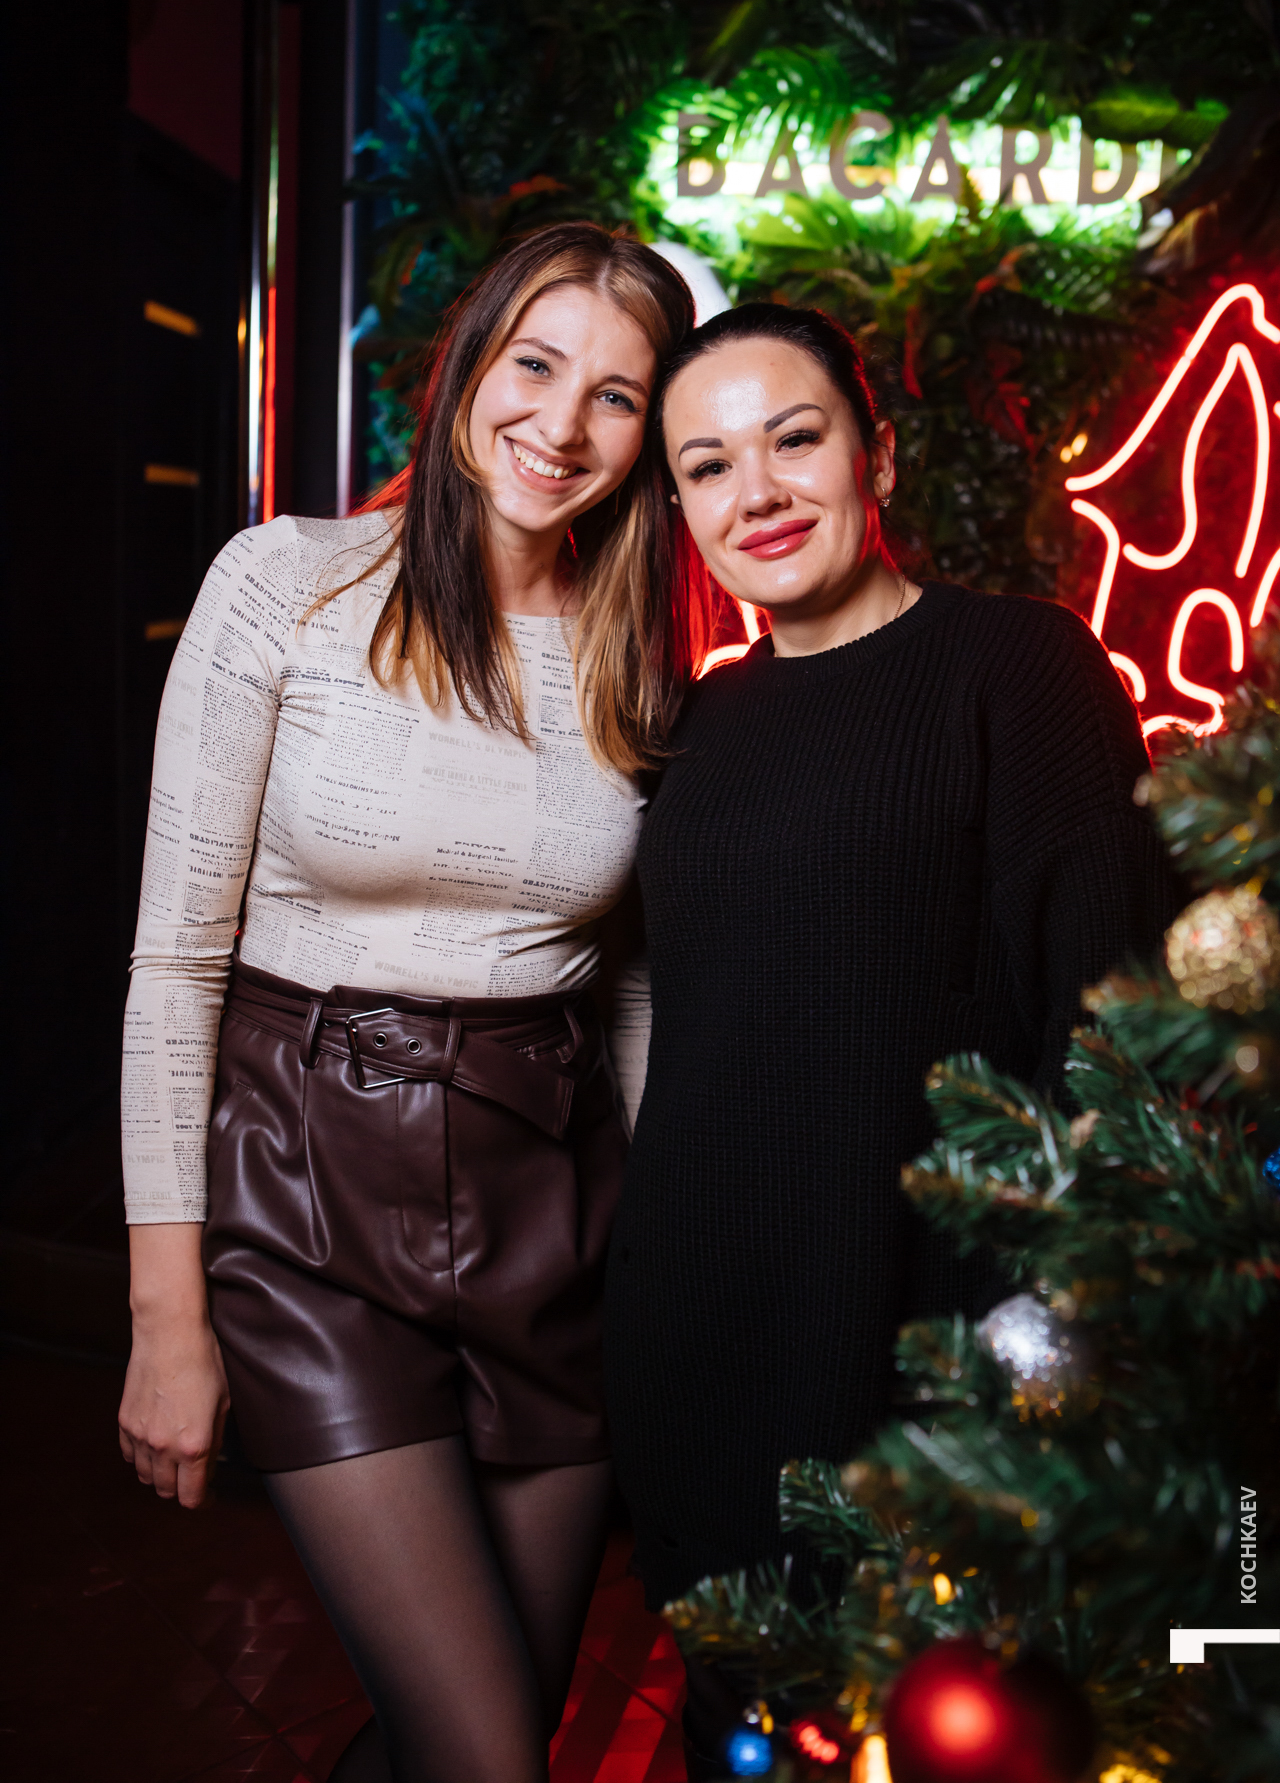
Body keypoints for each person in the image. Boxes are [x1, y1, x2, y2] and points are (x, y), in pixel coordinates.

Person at [117, 222, 699, 1783]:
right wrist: (166, 1317)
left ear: (650, 437)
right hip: (309, 1191)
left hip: (551, 1205)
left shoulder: (637, 655)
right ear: (466, 368)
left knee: (482, 1739)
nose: (562, 425)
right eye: (535, 365)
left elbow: (629, 982)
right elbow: (175, 962)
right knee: (490, 1758)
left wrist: (653, 1259)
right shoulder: (287, 582)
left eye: (618, 397)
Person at [603, 302, 1177, 1756]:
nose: (758, 492)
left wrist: (1037, 1340)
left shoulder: (1019, 666)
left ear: (880, 455)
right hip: (704, 1351)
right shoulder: (695, 727)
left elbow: (1109, 1020)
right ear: (680, 510)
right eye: (709, 467)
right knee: (743, 1736)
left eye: (795, 440)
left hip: (933, 1347)